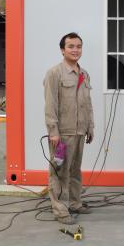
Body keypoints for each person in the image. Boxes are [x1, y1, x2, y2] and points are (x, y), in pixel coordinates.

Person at [43, 32, 94, 225]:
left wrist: (90, 126)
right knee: (59, 172)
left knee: (75, 170)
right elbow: (50, 105)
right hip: (62, 133)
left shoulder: (84, 74)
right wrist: (53, 131)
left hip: (80, 131)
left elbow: (87, 104)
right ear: (62, 50)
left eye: (79, 46)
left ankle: (75, 203)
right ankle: (60, 210)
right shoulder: (54, 73)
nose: (75, 50)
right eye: (71, 46)